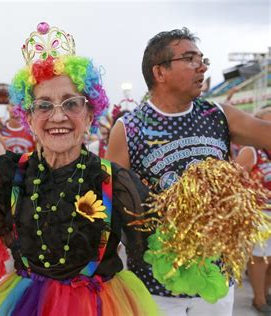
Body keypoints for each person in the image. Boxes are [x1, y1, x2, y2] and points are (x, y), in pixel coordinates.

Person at [0, 22, 158, 315]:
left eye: (71, 103)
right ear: (29, 118)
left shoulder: (116, 181)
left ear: (90, 114)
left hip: (100, 306)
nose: (58, 116)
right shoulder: (7, 174)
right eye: (43, 106)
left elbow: (155, 247)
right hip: (23, 304)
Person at [105, 27, 271, 316]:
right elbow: (110, 204)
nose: (203, 66)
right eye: (191, 59)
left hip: (214, 282)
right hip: (154, 285)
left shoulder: (218, 115)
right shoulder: (128, 128)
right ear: (160, 72)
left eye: (202, 58)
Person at [235, 107, 271, 314]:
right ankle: (258, 299)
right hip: (259, 213)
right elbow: (233, 181)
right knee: (259, 257)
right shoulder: (251, 151)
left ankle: (266, 293)